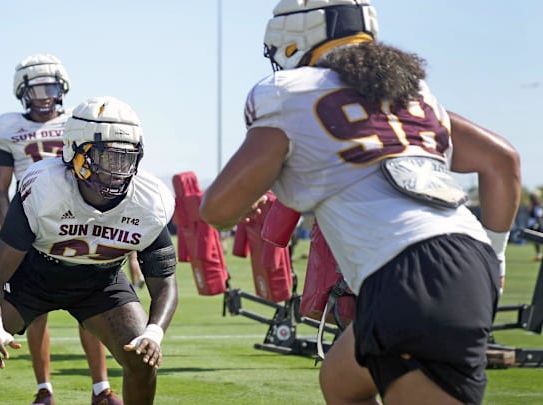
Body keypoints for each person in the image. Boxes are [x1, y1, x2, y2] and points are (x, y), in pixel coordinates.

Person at [199, 1, 520, 404]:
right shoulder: (412, 95)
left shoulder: (289, 93)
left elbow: (218, 210)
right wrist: (496, 256)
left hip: (411, 273)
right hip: (463, 259)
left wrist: (264, 187)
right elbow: (503, 161)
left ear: (292, 37)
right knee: (340, 382)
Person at [0, 96, 179, 405]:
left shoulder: (148, 202)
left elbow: (165, 283)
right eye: (107, 158)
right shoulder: (44, 189)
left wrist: (154, 333)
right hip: (32, 276)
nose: (116, 171)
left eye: (125, 159)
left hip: (101, 282)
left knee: (140, 355)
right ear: (75, 150)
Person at [0, 54, 120, 405]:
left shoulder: (75, 122)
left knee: (89, 307)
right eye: (38, 88)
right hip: (31, 224)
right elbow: (1, 188)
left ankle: (101, 388)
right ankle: (44, 389)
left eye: (52, 87)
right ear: (22, 91)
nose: (46, 95)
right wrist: (9, 235)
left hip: (77, 223)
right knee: (36, 313)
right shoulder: (9, 128)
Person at [527, 192, 543, 261]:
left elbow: (538, 216)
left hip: (537, 225)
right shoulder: (533, 206)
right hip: (534, 225)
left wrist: (538, 225)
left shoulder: (538, 206)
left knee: (538, 240)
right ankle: (538, 255)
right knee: (536, 241)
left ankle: (539, 255)